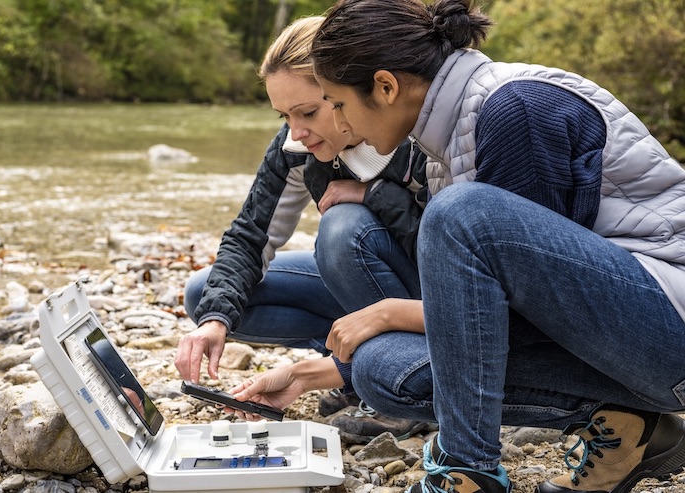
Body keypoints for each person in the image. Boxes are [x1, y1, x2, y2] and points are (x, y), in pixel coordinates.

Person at [232, 1, 685, 493]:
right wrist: (326, 368)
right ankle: (632, 425)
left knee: (459, 213)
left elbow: (523, 318)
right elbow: (502, 314)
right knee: (381, 369)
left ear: (385, 87)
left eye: (337, 104)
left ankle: (467, 471)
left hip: (667, 332)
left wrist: (387, 313)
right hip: (623, 343)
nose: (341, 123)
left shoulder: (516, 109)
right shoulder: (443, 139)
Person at [173, 16, 430, 440]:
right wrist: (214, 321)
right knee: (205, 296)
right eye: (285, 115)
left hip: (427, 301)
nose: (296, 131)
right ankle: (348, 372)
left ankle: (402, 384)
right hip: (363, 288)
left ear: (342, 89)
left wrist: (373, 195)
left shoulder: (415, 135)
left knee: (342, 229)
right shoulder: (296, 145)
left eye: (308, 111)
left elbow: (450, 253)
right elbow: (250, 236)